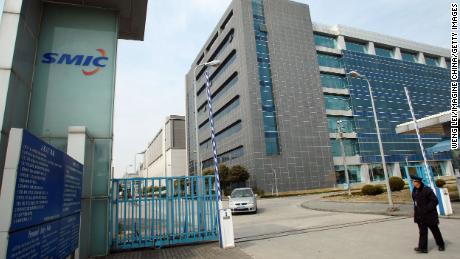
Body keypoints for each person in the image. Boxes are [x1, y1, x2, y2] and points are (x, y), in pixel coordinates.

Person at [411, 175, 445, 253]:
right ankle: (423, 248)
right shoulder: (414, 190)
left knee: (435, 231)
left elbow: (434, 201)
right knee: (422, 232)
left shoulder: (427, 190)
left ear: (418, 182)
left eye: (414, 181)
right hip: (420, 216)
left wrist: (426, 209)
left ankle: (441, 245)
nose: (413, 182)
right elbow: (415, 202)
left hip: (430, 215)